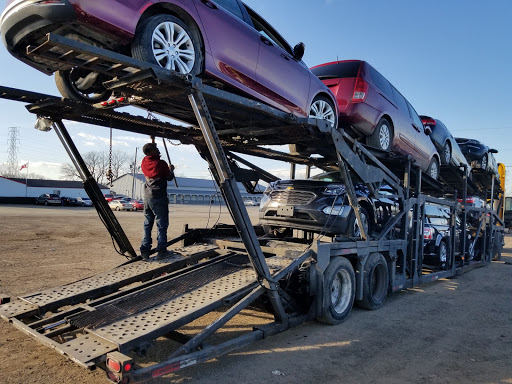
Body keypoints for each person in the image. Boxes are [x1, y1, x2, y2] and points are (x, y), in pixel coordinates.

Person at [140, 142, 175, 259]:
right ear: (150, 152)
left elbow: (150, 152)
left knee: (147, 223)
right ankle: (161, 249)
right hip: (159, 196)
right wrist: (171, 170)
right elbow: (169, 177)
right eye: (156, 148)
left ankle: (145, 250)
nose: (158, 149)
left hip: (147, 197)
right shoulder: (161, 164)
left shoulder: (145, 162)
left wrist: (152, 140)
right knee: (162, 223)